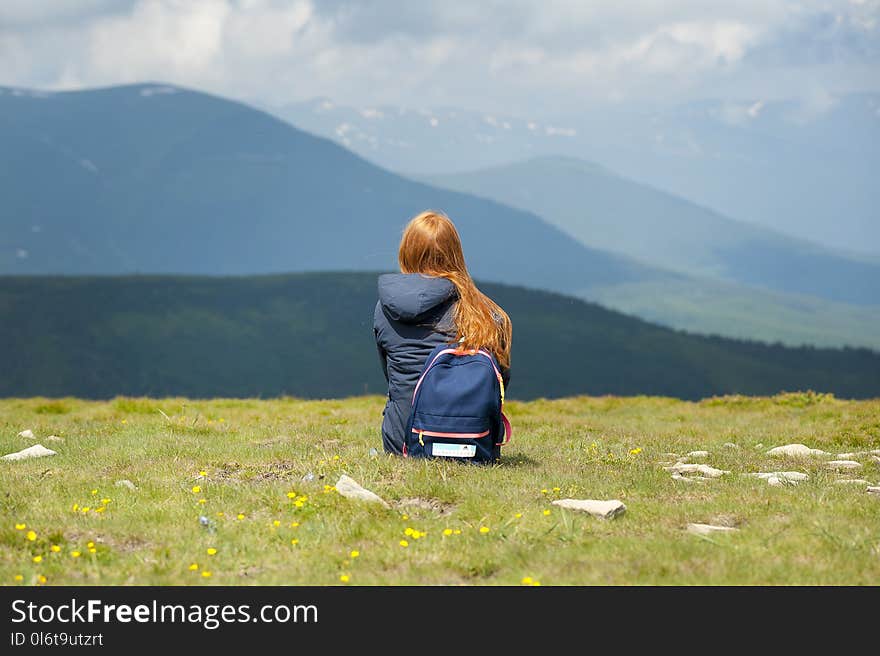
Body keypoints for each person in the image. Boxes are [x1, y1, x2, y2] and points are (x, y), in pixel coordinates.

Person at [373, 210, 512, 455]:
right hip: (472, 441)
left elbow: (392, 378)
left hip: (403, 442)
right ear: (455, 253)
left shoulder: (385, 309)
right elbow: (500, 384)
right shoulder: (485, 312)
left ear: (407, 251)